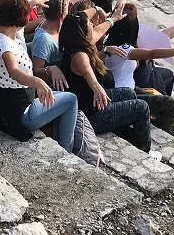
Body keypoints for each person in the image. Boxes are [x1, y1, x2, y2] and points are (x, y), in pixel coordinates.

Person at [0, 0, 78, 150]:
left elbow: (13, 14)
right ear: (19, 20)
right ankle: (67, 148)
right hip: (20, 112)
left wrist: (33, 2)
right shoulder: (6, 46)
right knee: (71, 99)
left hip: (0, 102)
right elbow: (14, 72)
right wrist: (38, 81)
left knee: (58, 96)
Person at [59, 11, 152, 151]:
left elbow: (98, 31)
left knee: (128, 93)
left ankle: (127, 134)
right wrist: (97, 88)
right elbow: (87, 72)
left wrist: (113, 19)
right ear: (83, 33)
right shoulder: (79, 56)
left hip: (90, 103)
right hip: (92, 115)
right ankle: (145, 150)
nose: (93, 25)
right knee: (142, 107)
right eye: (89, 24)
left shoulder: (75, 45)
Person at [31, 0, 70, 91]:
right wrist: (51, 69)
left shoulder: (56, 27)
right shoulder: (44, 39)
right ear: (63, 14)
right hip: (53, 88)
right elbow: (35, 71)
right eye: (67, 8)